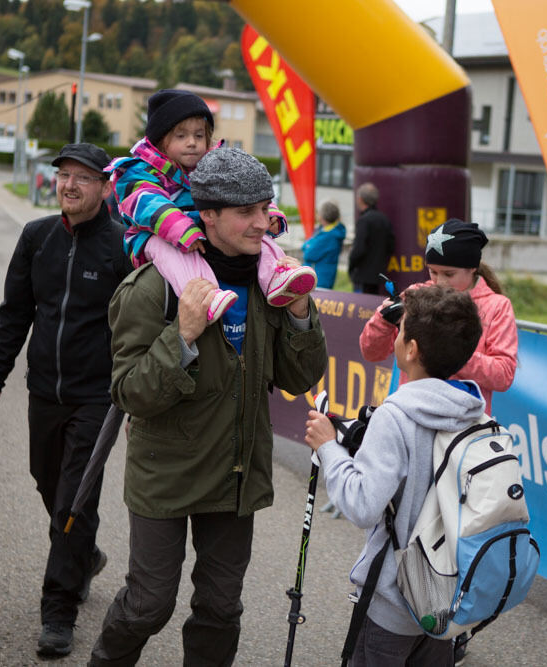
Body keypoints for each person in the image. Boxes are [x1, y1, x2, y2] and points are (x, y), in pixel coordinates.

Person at [90, 147, 328, 665]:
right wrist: (183, 336)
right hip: (165, 474)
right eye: (247, 213)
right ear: (209, 216)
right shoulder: (154, 288)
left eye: (266, 210)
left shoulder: (271, 285)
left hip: (235, 476)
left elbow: (300, 377)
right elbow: (129, 391)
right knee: (148, 606)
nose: (261, 223)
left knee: (221, 610)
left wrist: (304, 314)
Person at [0, 143, 133, 657]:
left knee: (71, 500)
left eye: (83, 177)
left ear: (106, 186)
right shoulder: (36, 237)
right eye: (64, 175)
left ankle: (58, 613)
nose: (69, 184)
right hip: (44, 390)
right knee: (48, 483)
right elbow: (14, 312)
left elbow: (141, 324)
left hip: (98, 397)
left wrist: (137, 393)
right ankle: (83, 555)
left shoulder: (122, 246)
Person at [304, 286, 485, 666]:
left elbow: (362, 505)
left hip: (394, 601)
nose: (397, 337)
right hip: (446, 597)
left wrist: (327, 448)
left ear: (412, 349)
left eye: (400, 330)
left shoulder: (396, 416)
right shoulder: (475, 414)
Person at [108, 88, 316, 325]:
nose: (192, 143)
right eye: (181, 136)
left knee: (260, 235)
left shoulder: (211, 166)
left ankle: (277, 278)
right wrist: (180, 228)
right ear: (161, 141)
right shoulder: (138, 170)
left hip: (199, 231)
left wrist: (270, 216)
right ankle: (204, 295)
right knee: (172, 252)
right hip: (154, 234)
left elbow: (248, 192)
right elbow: (145, 201)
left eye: (199, 136)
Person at [359, 218, 518, 413]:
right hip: (413, 412)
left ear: (472, 267)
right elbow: (372, 352)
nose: (439, 281)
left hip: (462, 421)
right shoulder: (417, 293)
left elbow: (503, 375)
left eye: (449, 274)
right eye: (433, 272)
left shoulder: (497, 306)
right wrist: (383, 321)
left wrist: (450, 353)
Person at [348, 182, 394, 293]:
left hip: (363, 277)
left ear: (360, 199)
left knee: (360, 308)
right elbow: (391, 246)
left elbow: (359, 249)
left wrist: (351, 265)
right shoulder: (384, 219)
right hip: (379, 276)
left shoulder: (364, 220)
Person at [301, 199, 346, 289]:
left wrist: (308, 244)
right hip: (323, 278)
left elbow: (308, 254)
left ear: (322, 216)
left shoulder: (328, 236)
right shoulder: (327, 231)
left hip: (319, 281)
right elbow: (306, 246)